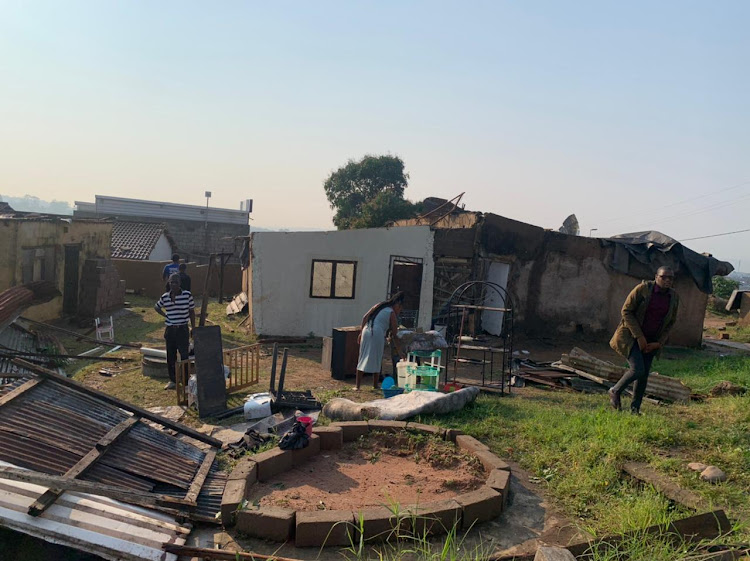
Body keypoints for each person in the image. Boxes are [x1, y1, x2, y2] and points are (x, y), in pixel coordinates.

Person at [608, 266, 679, 414]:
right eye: (664, 277)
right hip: (630, 337)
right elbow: (626, 311)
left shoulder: (673, 297)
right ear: (656, 276)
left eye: (671, 278)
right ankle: (615, 390)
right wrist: (639, 337)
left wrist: (659, 343)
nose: (667, 280)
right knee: (637, 369)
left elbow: (671, 321)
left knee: (644, 375)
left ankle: (635, 409)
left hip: (652, 341)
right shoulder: (643, 289)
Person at [355, 292, 406, 391]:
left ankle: (357, 386)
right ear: (397, 305)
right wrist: (400, 352)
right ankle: (375, 385)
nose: (399, 312)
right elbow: (395, 335)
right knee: (377, 358)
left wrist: (361, 333)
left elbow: (365, 317)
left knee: (362, 356)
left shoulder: (379, 305)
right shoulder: (391, 313)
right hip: (377, 333)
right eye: (400, 309)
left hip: (366, 330)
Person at [154, 273, 196, 390]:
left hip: (182, 329)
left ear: (180, 284)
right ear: (169, 283)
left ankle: (187, 381)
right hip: (170, 330)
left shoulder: (187, 295)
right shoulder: (165, 297)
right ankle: (173, 380)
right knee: (171, 356)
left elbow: (192, 312)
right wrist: (165, 315)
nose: (173, 284)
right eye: (171, 282)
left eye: (176, 282)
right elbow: (157, 307)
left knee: (184, 356)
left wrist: (193, 327)